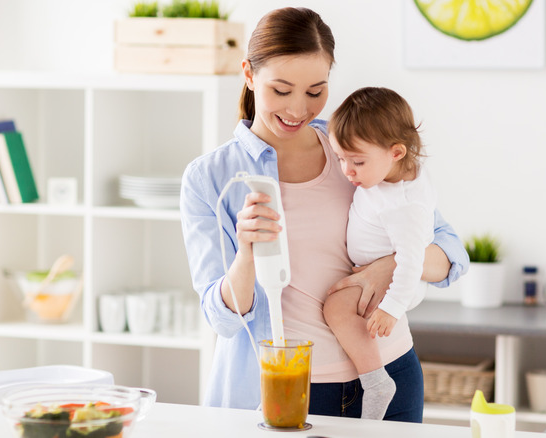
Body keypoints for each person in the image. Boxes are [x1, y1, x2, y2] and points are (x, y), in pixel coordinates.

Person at [180, 7, 469, 423]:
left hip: (392, 371)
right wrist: (246, 253)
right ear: (248, 74)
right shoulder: (211, 177)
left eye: (316, 91)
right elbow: (222, 320)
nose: (298, 109)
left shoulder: (353, 143)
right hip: (294, 388)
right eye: (281, 91)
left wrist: (384, 268)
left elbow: (449, 251)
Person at [323, 87, 436, 420]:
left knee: (337, 307)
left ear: (396, 152)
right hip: (378, 272)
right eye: (340, 158)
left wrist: (390, 308)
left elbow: (412, 260)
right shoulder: (386, 176)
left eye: (357, 161)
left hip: (398, 283)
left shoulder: (403, 205)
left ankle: (375, 382)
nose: (347, 171)